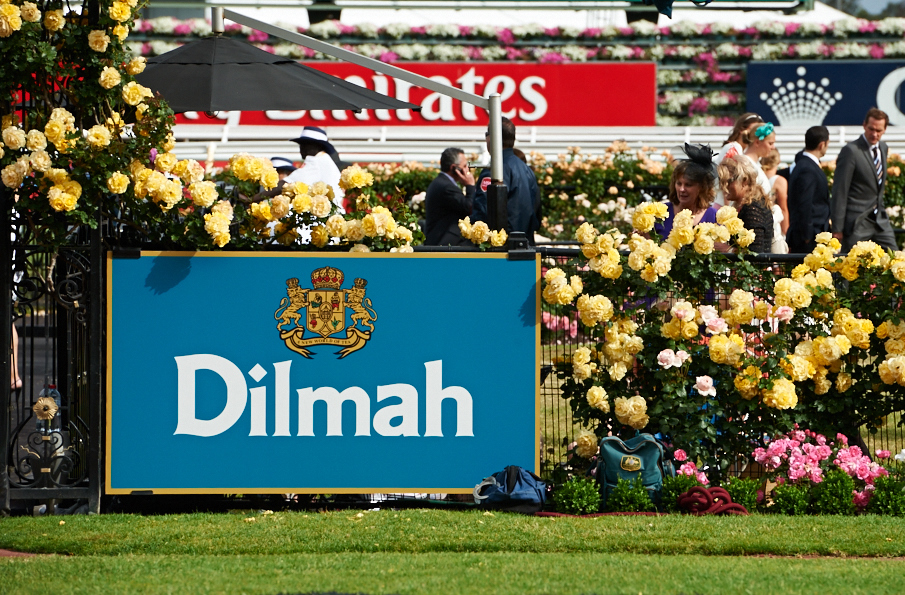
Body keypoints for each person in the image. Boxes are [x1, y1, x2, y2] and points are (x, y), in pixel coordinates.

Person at [831, 108, 898, 252]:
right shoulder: (851, 151)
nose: (874, 134)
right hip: (857, 222)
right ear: (864, 125)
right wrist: (837, 228)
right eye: (871, 129)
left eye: (879, 130)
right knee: (850, 267)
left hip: (880, 221)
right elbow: (840, 190)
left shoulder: (883, 148)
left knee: (897, 259)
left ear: (885, 129)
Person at [472, 117, 541, 241]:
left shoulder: (494, 170)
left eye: (487, 134)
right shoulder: (527, 170)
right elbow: (536, 215)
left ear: (492, 137)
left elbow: (482, 212)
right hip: (526, 246)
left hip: (500, 249)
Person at [654, 143, 720, 239]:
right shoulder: (662, 213)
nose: (681, 189)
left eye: (688, 185)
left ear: (702, 187)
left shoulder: (713, 217)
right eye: (679, 183)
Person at [787, 126, 831, 254]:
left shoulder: (803, 164)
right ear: (822, 144)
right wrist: (807, 236)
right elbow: (804, 203)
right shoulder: (807, 169)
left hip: (811, 235)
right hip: (809, 238)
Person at [719, 155, 774, 253]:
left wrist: (727, 250)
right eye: (721, 181)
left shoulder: (753, 208)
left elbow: (756, 253)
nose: (723, 186)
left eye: (728, 181)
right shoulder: (746, 204)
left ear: (744, 181)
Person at [424, 147, 476, 246]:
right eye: (464, 166)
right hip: (442, 243)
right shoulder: (446, 187)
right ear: (454, 168)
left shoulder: (442, 182)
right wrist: (470, 186)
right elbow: (469, 207)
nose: (467, 170)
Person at [284, 126, 345, 210]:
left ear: (316, 146)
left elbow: (286, 184)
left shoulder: (316, 161)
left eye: (305, 144)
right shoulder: (324, 160)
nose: (301, 148)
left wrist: (259, 197)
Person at [713, 113, 764, 206]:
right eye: (752, 130)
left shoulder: (742, 151)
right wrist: (728, 210)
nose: (755, 134)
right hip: (722, 205)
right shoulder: (733, 148)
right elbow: (726, 180)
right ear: (741, 130)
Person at [761, 148, 789, 254]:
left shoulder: (758, 176)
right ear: (778, 161)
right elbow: (783, 208)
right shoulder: (780, 181)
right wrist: (786, 231)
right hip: (775, 222)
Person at [742, 122, 775, 197]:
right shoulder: (745, 164)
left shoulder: (753, 164)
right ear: (757, 142)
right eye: (770, 143)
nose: (773, 147)